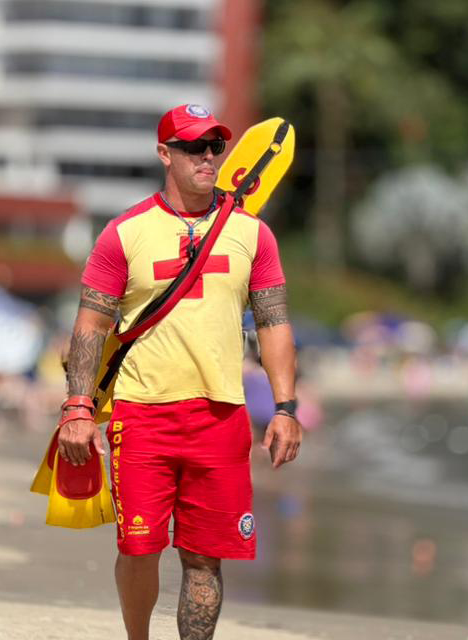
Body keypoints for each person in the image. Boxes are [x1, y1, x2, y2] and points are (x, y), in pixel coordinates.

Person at [57, 104, 301, 640]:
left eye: (216, 146)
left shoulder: (253, 236)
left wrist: (285, 408)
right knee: (139, 548)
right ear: (165, 153)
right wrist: (77, 408)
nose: (209, 157)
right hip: (142, 417)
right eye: (194, 147)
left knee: (206, 558)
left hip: (221, 417)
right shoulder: (124, 234)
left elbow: (274, 324)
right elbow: (90, 327)